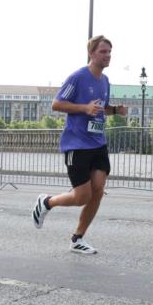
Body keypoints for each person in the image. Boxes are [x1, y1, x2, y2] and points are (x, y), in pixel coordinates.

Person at [31, 35, 128, 254]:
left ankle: (78, 238)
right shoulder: (78, 77)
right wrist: (84, 108)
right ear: (92, 53)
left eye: (109, 52)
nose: (108, 56)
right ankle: (47, 202)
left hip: (98, 143)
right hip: (77, 144)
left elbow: (100, 108)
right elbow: (56, 104)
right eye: (103, 52)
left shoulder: (104, 81)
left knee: (98, 191)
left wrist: (116, 110)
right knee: (81, 197)